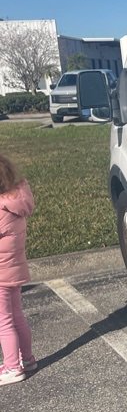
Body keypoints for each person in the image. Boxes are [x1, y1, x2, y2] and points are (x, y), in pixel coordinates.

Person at [0, 154, 36, 386]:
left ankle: (12, 367)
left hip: (0, 273)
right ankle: (27, 358)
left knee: (3, 321)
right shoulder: (16, 201)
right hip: (14, 269)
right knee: (17, 316)